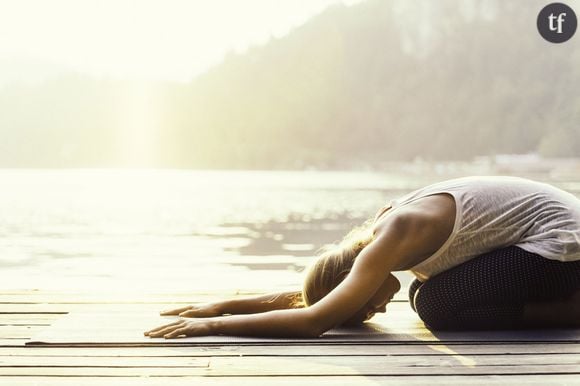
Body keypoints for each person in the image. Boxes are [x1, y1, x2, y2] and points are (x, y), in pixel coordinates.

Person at [145, 175, 580, 339]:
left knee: (437, 304)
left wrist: (211, 325)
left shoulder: (395, 232)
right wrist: (226, 302)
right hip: (552, 241)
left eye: (366, 306)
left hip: (563, 243)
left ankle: (570, 311)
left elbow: (316, 319)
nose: (379, 306)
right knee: (423, 296)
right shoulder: (378, 240)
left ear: (354, 277)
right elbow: (317, 298)